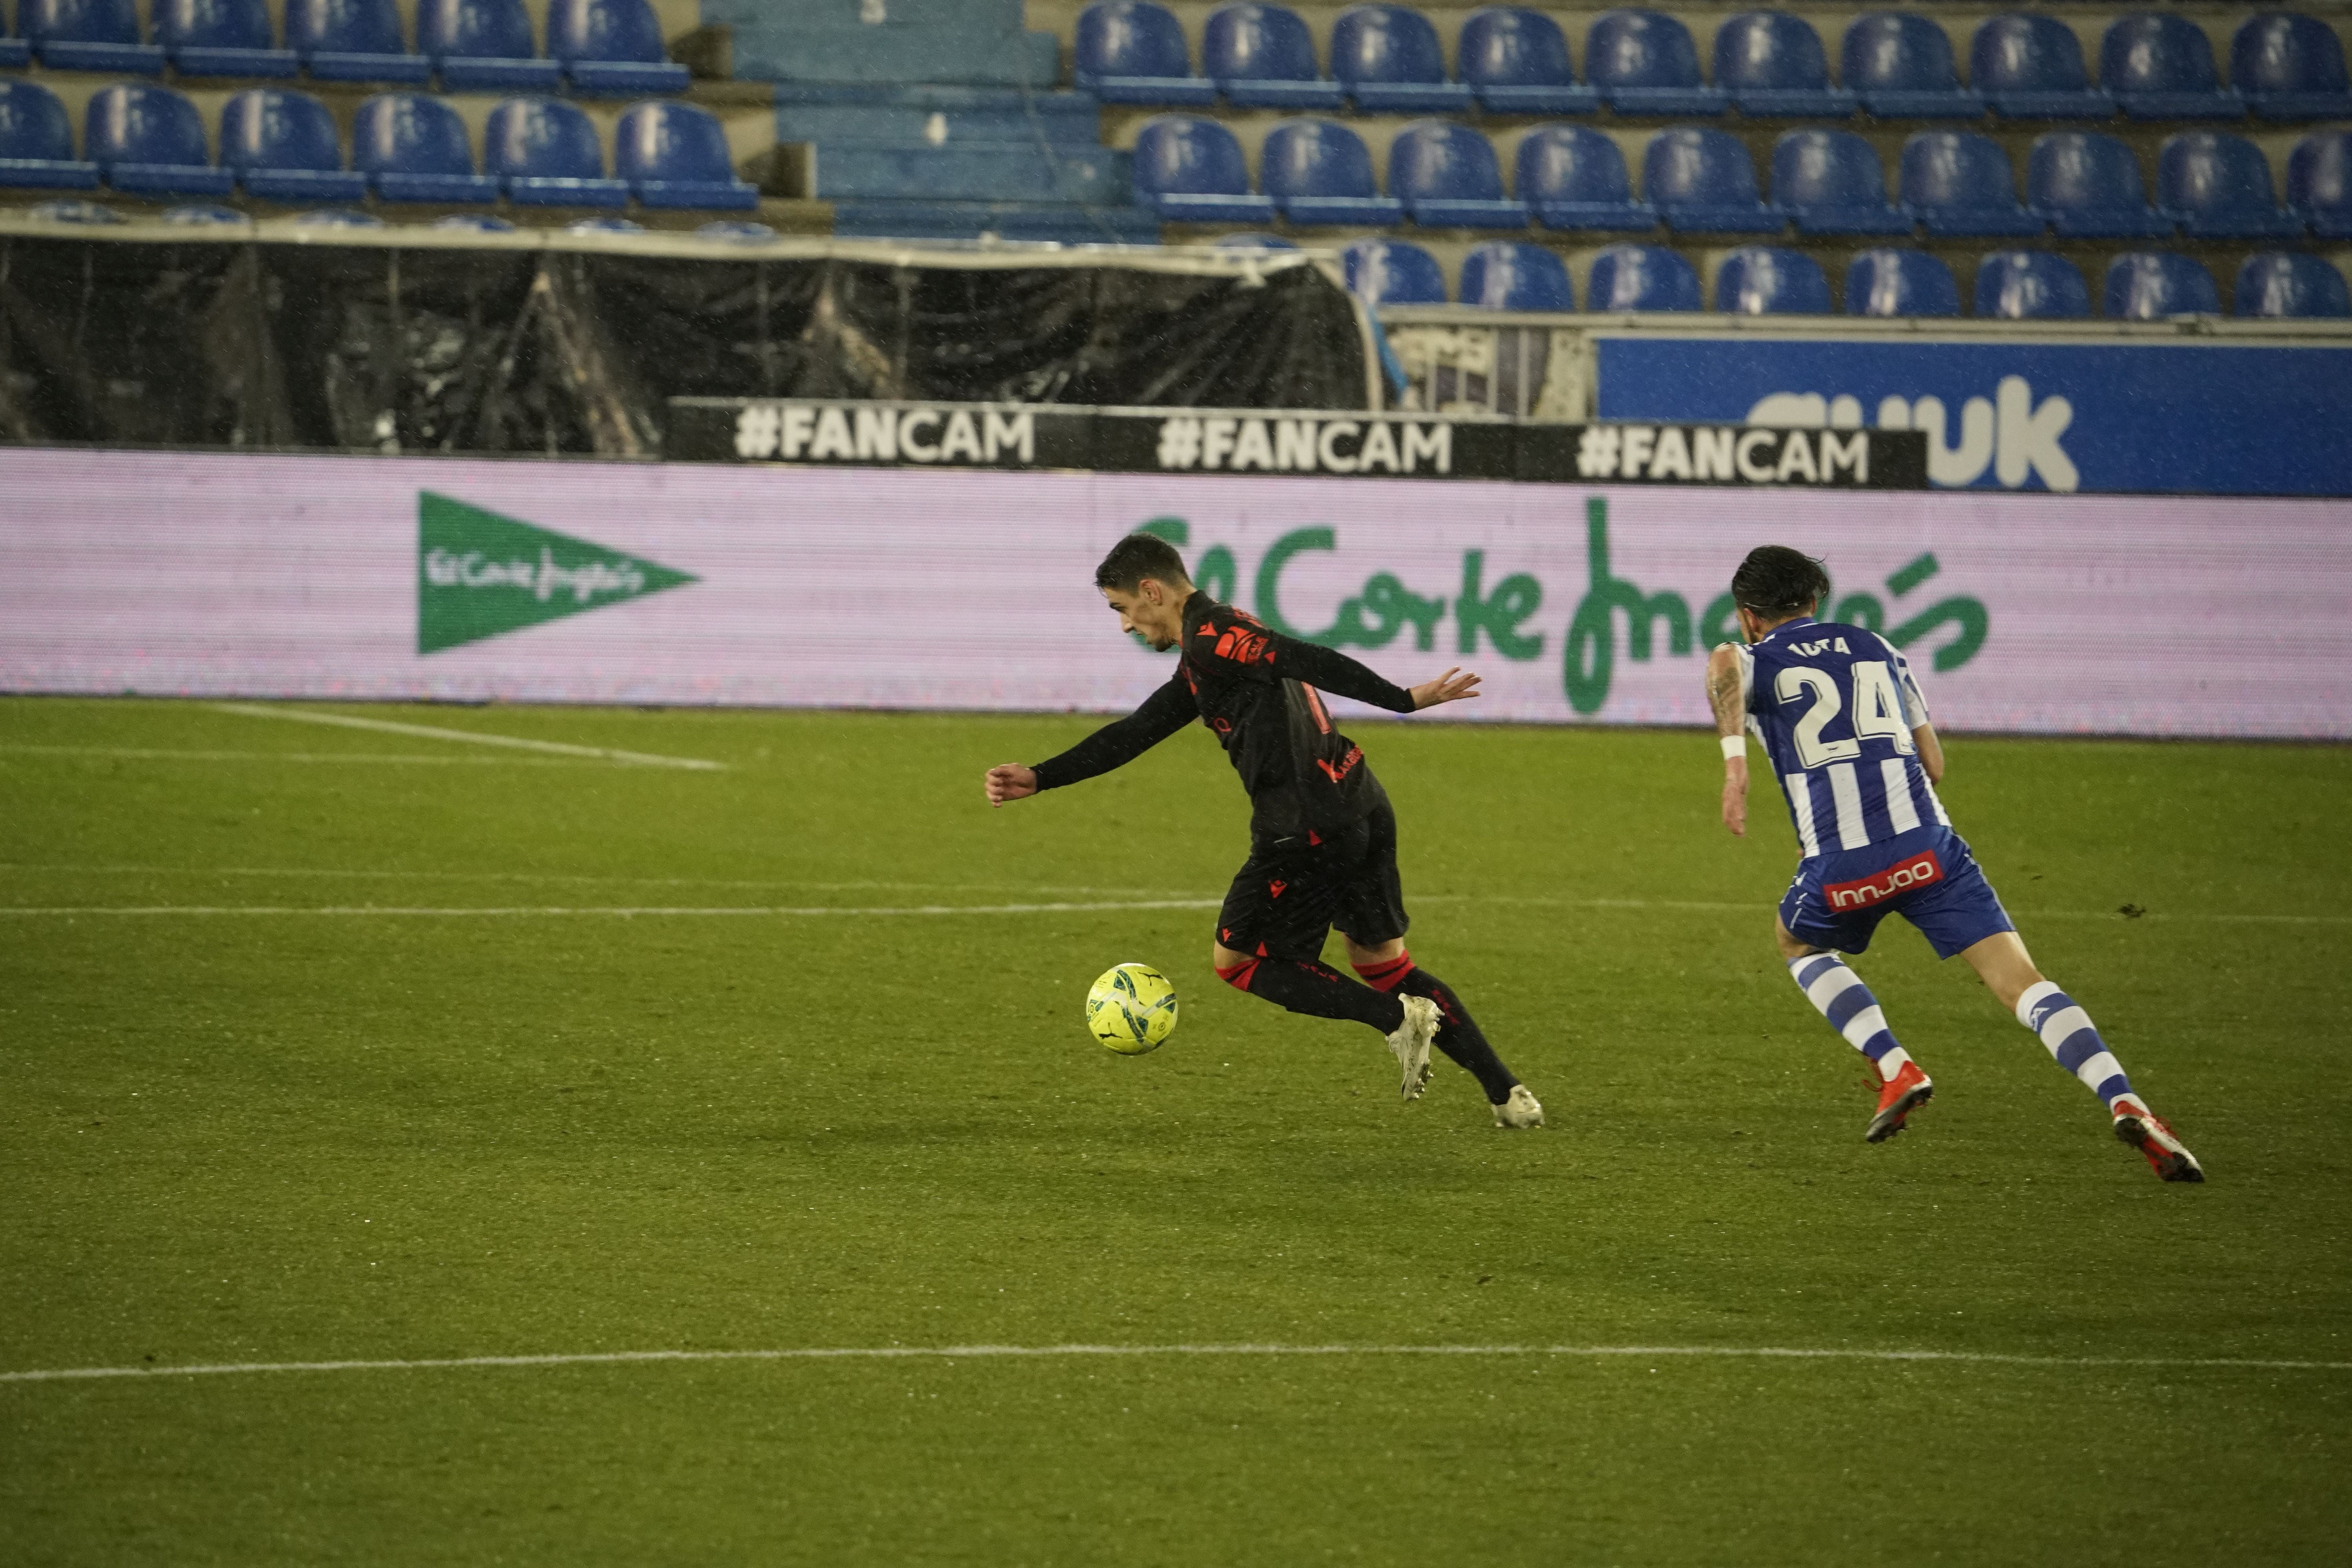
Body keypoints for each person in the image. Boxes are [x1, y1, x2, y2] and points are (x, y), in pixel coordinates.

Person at [985, 532, 1545, 1128]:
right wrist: (1044, 777)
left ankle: (1395, 1020)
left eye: (1122, 608)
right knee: (1385, 963)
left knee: (1240, 960)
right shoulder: (1209, 651)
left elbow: (1303, 656)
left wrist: (1401, 699)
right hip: (1360, 804)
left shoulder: (1213, 636)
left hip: (1305, 827)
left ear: (1152, 591)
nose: (1125, 625)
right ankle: (1507, 1094)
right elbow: (1140, 729)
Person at [1706, 544, 2203, 1182]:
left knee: (1796, 945)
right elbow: (1935, 765)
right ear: (1815, 600)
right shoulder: (1879, 649)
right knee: (2025, 986)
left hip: (1843, 866)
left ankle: (1894, 1066)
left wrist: (1735, 763)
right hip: (1930, 853)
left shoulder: (1750, 658)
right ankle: (2125, 1100)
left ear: (1749, 617)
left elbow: (1722, 663)